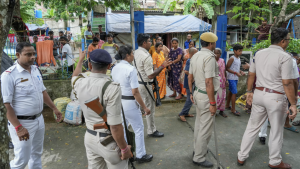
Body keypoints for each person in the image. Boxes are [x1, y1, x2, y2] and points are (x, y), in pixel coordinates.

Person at [237, 28, 297, 169]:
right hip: (276, 97)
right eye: (288, 40)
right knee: (276, 130)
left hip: (258, 94)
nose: (288, 42)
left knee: (252, 127)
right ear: (282, 41)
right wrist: (293, 103)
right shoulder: (285, 57)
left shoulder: (259, 54)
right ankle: (275, 161)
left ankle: (241, 156)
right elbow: (287, 82)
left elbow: (251, 75)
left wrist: (249, 92)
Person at [1, 42, 62, 169]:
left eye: (33, 54)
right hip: (22, 123)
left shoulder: (35, 69)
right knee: (22, 160)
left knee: (36, 155)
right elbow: (6, 105)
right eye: (28, 54)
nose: (33, 57)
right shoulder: (9, 75)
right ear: (18, 55)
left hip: (39, 120)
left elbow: (42, 91)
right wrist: (18, 127)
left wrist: (54, 108)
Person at [72, 49, 132, 168]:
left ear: (89, 64)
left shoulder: (79, 83)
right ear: (109, 66)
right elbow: (114, 126)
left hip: (90, 137)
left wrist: (80, 60)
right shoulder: (111, 87)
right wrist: (124, 149)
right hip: (109, 141)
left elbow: (74, 75)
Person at [112, 45, 153, 163]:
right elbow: (135, 92)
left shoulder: (115, 68)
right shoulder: (131, 69)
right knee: (138, 128)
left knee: (123, 128)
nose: (133, 55)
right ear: (127, 56)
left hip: (119, 101)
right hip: (129, 102)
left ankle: (126, 153)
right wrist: (144, 107)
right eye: (132, 53)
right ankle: (140, 155)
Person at [189, 32, 219, 168]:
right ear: (211, 44)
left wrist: (191, 92)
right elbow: (209, 82)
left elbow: (190, 77)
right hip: (206, 96)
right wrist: (213, 103)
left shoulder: (195, 55)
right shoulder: (209, 57)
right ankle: (199, 157)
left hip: (197, 93)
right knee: (205, 128)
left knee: (199, 124)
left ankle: (197, 149)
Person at [134, 33, 172, 137]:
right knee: (149, 108)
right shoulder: (146, 56)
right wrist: (163, 66)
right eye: (150, 41)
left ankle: (134, 128)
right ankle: (151, 130)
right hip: (145, 85)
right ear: (144, 43)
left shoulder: (135, 53)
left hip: (137, 84)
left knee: (138, 108)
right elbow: (150, 75)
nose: (151, 43)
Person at [178, 47, 197, 122]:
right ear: (192, 53)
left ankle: (186, 112)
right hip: (189, 82)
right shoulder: (190, 60)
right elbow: (186, 71)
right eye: (196, 52)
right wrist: (193, 76)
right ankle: (182, 113)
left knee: (191, 98)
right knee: (190, 99)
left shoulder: (193, 60)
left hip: (191, 81)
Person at [225, 44, 245, 116]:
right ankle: (233, 109)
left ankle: (227, 105)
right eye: (239, 51)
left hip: (235, 78)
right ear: (235, 51)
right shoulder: (232, 58)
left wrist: (240, 71)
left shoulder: (238, 58)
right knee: (234, 92)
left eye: (241, 51)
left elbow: (236, 68)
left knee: (231, 91)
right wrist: (235, 73)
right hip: (231, 78)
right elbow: (227, 68)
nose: (241, 52)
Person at [214, 48, 228, 118]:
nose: (216, 54)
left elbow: (224, 70)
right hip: (215, 81)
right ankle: (214, 110)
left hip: (222, 81)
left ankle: (221, 111)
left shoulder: (222, 60)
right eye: (215, 53)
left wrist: (226, 80)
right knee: (216, 96)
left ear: (220, 54)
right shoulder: (212, 61)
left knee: (223, 96)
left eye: (218, 53)